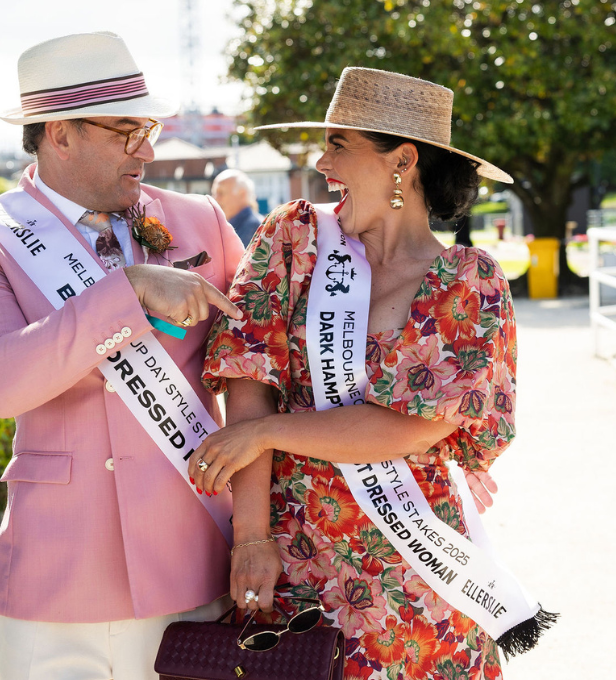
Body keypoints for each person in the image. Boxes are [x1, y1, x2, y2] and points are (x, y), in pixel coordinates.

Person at [0, 32, 245, 680]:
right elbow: (0, 381)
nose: (148, 150)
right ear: (59, 134)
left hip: (192, 554)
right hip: (55, 576)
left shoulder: (201, 220)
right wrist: (124, 292)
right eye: (126, 132)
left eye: (148, 129)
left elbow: (257, 374)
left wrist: (263, 535)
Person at [190, 68, 520, 679]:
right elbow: (248, 375)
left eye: (339, 144)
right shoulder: (294, 238)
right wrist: (252, 538)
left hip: (417, 569)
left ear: (402, 161)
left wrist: (264, 435)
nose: (321, 161)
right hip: (294, 556)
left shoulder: (470, 281)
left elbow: (412, 430)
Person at [211, 168, 264, 246]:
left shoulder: (254, 228)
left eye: (221, 193)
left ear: (242, 194)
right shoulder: (228, 226)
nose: (215, 199)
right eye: (214, 193)